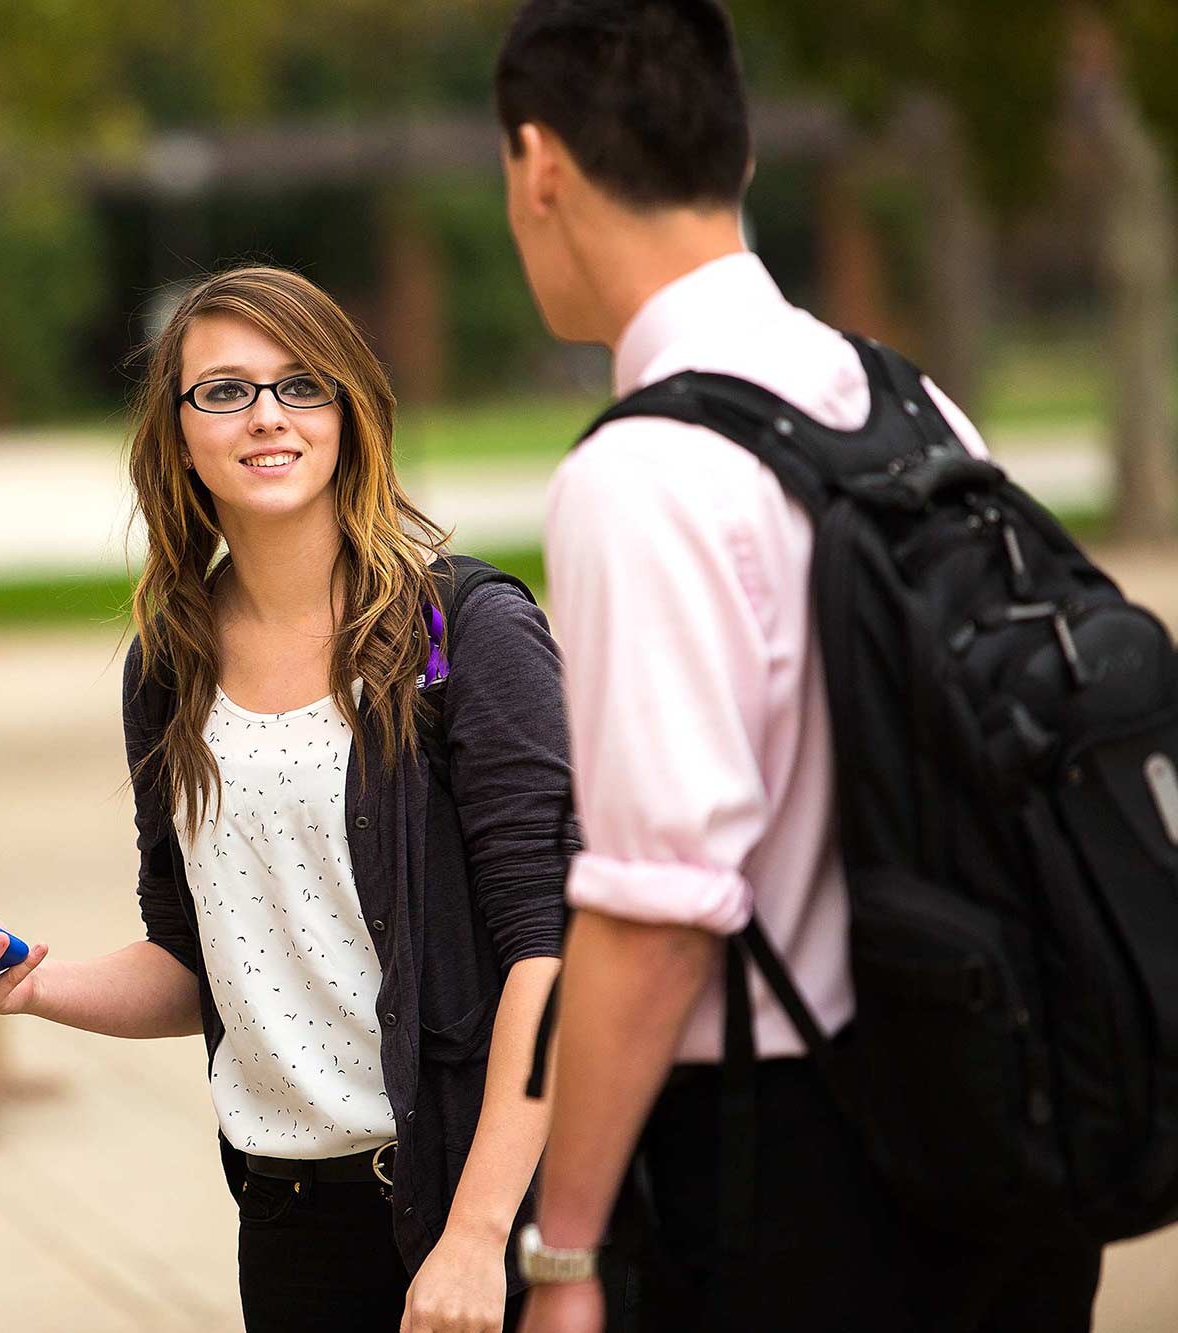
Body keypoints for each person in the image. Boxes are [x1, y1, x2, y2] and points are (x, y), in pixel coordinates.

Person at [487, 3, 1106, 1331]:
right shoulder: (904, 398)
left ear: (539, 166)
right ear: (744, 151)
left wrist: (565, 1253)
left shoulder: (641, 469)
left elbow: (657, 909)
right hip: (993, 1119)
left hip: (791, 1170)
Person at [0, 265, 576, 1332]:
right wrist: (30, 987)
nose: (266, 415)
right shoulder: (167, 667)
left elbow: (549, 953)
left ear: (350, 411)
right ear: (176, 434)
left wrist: (479, 1238)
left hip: (466, 1202)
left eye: (300, 384)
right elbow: (194, 959)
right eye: (223, 389)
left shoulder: (468, 630)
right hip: (285, 1214)